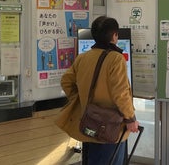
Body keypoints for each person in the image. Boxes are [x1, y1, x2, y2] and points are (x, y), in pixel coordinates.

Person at [55, 16, 139, 165]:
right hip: (109, 127)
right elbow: (121, 93)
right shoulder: (116, 58)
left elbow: (66, 81)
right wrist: (131, 118)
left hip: (88, 122)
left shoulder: (83, 57)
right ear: (114, 36)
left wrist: (81, 99)